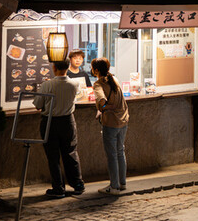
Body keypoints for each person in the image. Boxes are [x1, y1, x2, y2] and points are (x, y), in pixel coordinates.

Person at [32, 60, 85, 198]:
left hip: (50, 122)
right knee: (71, 152)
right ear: (68, 67)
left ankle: (58, 188)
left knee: (53, 156)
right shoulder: (74, 84)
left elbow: (38, 105)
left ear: (53, 67)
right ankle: (78, 184)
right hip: (68, 121)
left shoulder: (47, 84)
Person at [91, 57, 129, 195]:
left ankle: (114, 187)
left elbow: (102, 101)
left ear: (96, 70)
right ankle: (122, 183)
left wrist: (105, 107)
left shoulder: (98, 84)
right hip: (123, 121)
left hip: (111, 123)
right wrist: (102, 110)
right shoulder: (114, 79)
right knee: (120, 151)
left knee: (112, 155)